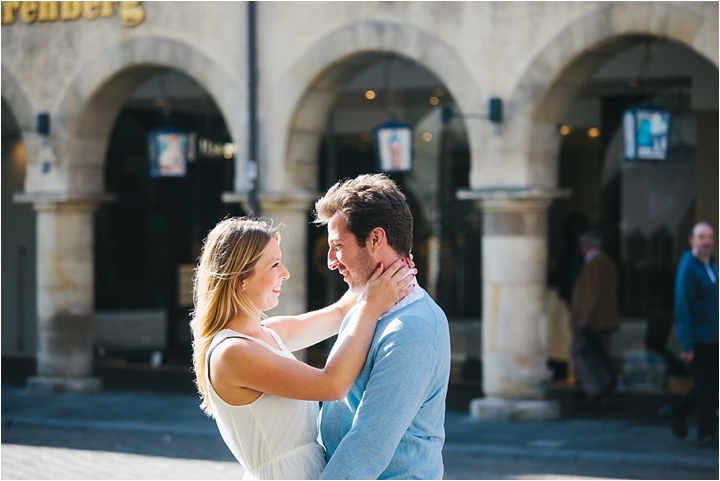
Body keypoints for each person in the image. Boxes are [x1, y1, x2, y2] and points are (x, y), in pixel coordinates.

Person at [190, 216, 416, 479]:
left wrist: (383, 267)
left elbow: (339, 313)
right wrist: (371, 307)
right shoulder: (231, 353)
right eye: (274, 265)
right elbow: (332, 385)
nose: (285, 273)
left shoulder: (271, 333)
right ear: (241, 279)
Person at [313, 173, 451, 479]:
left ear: (375, 239)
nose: (330, 261)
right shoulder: (366, 306)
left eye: (337, 245)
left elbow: (368, 446)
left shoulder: (413, 329)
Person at [660, 222, 718, 448]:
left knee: (710, 385)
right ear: (691, 240)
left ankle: (675, 411)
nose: (707, 241)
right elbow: (683, 307)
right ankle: (706, 433)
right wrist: (687, 344)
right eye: (702, 237)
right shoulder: (688, 268)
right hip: (700, 337)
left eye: (710, 237)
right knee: (708, 387)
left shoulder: (712, 264)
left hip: (715, 336)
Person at [570, 229, 619, 408]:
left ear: (587, 246)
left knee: (578, 351)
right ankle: (603, 390)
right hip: (605, 319)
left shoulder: (594, 264)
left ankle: (594, 388)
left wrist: (585, 317)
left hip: (593, 321)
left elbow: (592, 294)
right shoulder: (608, 263)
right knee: (602, 355)